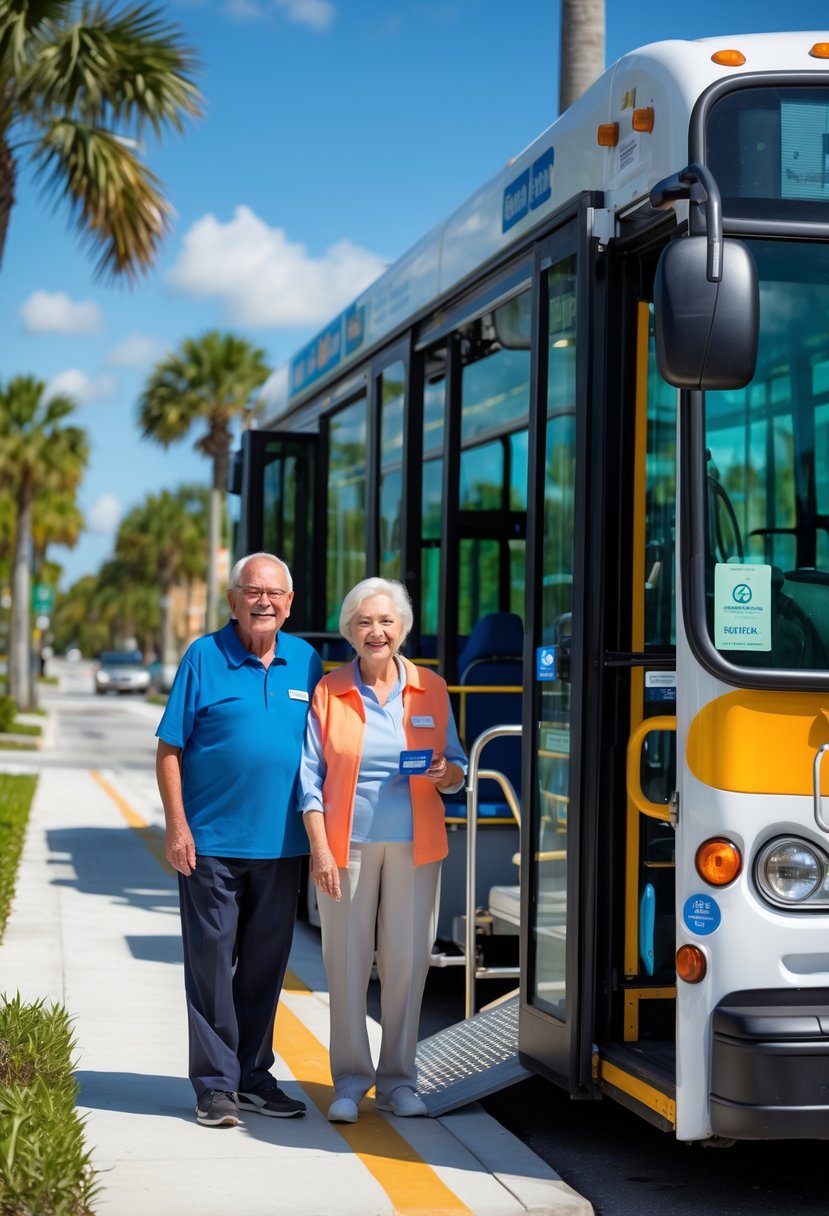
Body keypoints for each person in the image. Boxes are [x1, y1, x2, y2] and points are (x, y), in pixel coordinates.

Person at [156, 551, 323, 1128]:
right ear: (233, 600)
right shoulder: (203, 656)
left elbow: (326, 751)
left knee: (263, 968)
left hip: (282, 847)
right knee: (210, 966)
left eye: (275, 594)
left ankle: (252, 1076)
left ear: (289, 603)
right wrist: (177, 826)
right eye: (253, 591)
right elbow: (170, 751)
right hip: (211, 846)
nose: (264, 602)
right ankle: (214, 1086)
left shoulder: (307, 661)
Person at [299, 576, 466, 1123]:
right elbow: (309, 778)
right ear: (350, 631)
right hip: (347, 848)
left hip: (418, 847)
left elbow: (457, 767)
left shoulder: (432, 689)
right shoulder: (330, 691)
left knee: (408, 962)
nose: (376, 632)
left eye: (386, 621)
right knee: (346, 964)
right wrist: (321, 850)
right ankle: (349, 1081)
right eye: (365, 622)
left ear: (402, 628)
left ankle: (398, 1080)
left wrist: (445, 773)